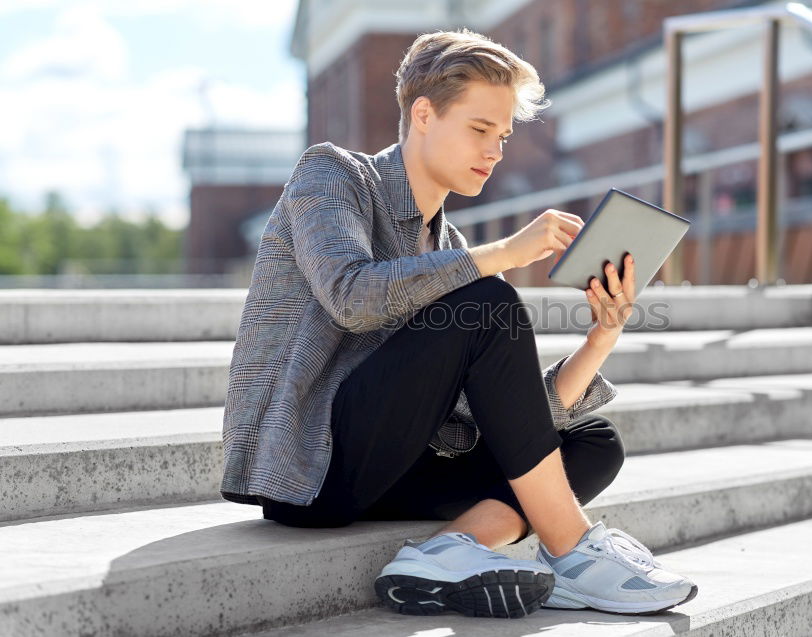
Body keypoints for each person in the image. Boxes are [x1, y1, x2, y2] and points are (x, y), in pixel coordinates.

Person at [220, 27, 697, 618]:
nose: (495, 151)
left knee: (593, 442)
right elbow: (351, 296)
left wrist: (603, 335)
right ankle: (573, 551)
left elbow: (482, 420)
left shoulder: (447, 243)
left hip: (400, 465)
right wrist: (500, 256)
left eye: (501, 134)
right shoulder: (331, 177)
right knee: (491, 299)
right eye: (479, 129)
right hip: (312, 468)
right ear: (423, 114)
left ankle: (447, 551)